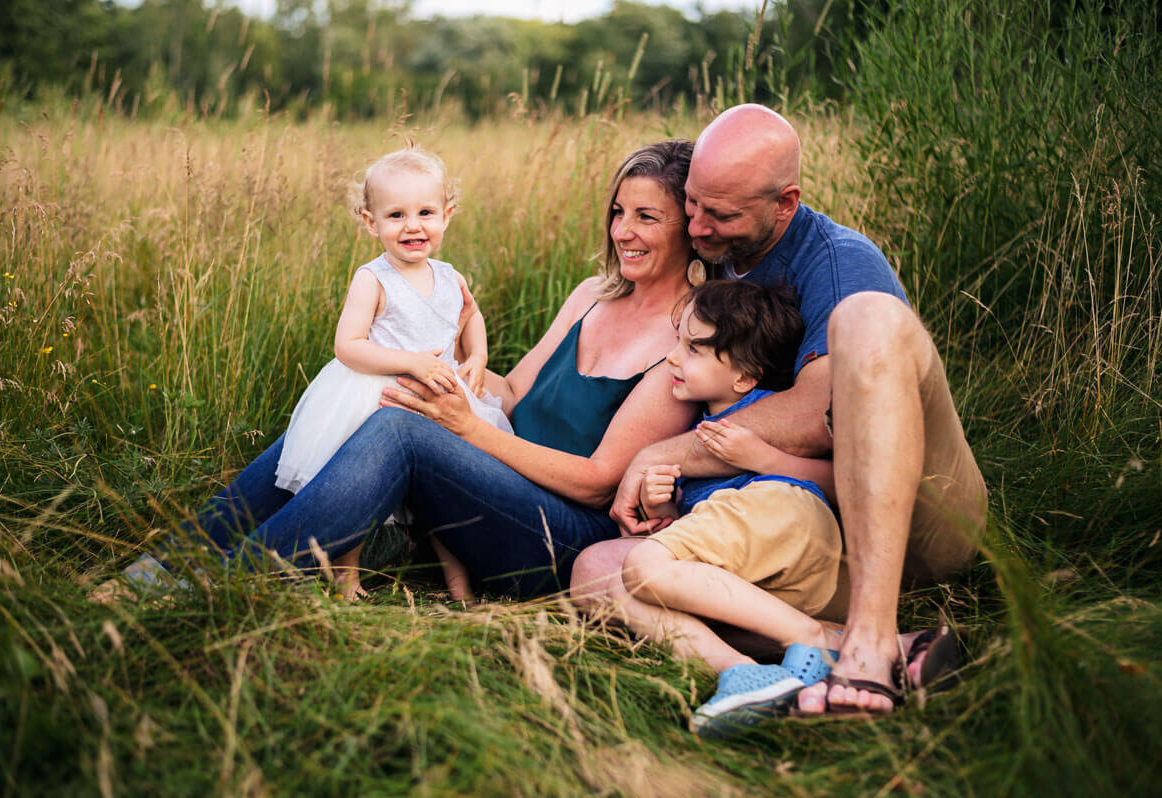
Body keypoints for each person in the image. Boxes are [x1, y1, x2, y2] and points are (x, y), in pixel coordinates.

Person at [102, 140, 701, 602]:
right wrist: (429, 364)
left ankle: (220, 590)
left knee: (402, 428)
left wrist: (466, 427)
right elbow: (513, 392)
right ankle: (163, 567)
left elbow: (600, 482)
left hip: (564, 538)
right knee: (371, 397)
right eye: (618, 212)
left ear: (691, 224)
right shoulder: (593, 293)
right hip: (492, 476)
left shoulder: (693, 333)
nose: (623, 230)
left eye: (647, 217)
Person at [571, 104, 987, 719]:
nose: (700, 227)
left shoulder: (839, 262)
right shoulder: (717, 252)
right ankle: (803, 661)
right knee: (601, 573)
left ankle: (870, 647)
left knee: (866, 317)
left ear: (785, 203)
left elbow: (819, 416)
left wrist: (667, 453)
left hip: (919, 517)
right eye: (691, 204)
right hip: (801, 538)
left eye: (723, 214)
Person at [273, 147, 511, 600]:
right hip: (380, 392)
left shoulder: (449, 275)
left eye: (425, 212)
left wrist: (477, 356)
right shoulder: (373, 278)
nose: (413, 226)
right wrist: (410, 361)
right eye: (396, 215)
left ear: (447, 215)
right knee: (363, 493)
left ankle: (459, 584)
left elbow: (471, 316)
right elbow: (348, 346)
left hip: (441, 392)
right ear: (370, 222)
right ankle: (347, 573)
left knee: (445, 493)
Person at [616, 279, 846, 735]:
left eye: (695, 349)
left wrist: (764, 459)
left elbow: (844, 482)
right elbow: (714, 546)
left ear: (743, 377)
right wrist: (665, 506)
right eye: (677, 342)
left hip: (787, 513)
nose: (674, 358)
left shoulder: (764, 414)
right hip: (775, 569)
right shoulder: (694, 436)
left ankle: (811, 641)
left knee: (642, 566)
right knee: (633, 574)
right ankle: (759, 670)